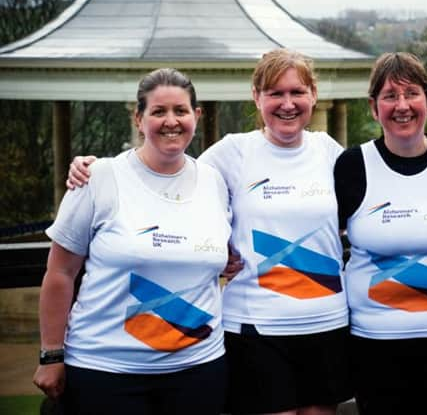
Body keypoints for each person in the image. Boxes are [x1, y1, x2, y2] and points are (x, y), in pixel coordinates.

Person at [66, 49, 352, 415]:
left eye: (297, 92)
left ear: (313, 94)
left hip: (327, 320)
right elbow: (167, 178)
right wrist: (92, 166)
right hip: (254, 327)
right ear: (256, 96)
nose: (287, 103)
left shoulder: (329, 151)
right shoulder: (231, 153)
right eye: (275, 93)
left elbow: (385, 184)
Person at [33, 68, 232, 414]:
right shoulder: (99, 177)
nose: (171, 121)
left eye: (181, 111)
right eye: (158, 112)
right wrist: (51, 354)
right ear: (139, 119)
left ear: (196, 116)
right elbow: (60, 273)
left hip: (198, 369)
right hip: (106, 371)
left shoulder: (214, 181)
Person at [334, 52, 427, 415]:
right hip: (374, 344)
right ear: (372, 106)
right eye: (389, 96)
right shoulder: (351, 166)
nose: (402, 106)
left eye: (411, 93)